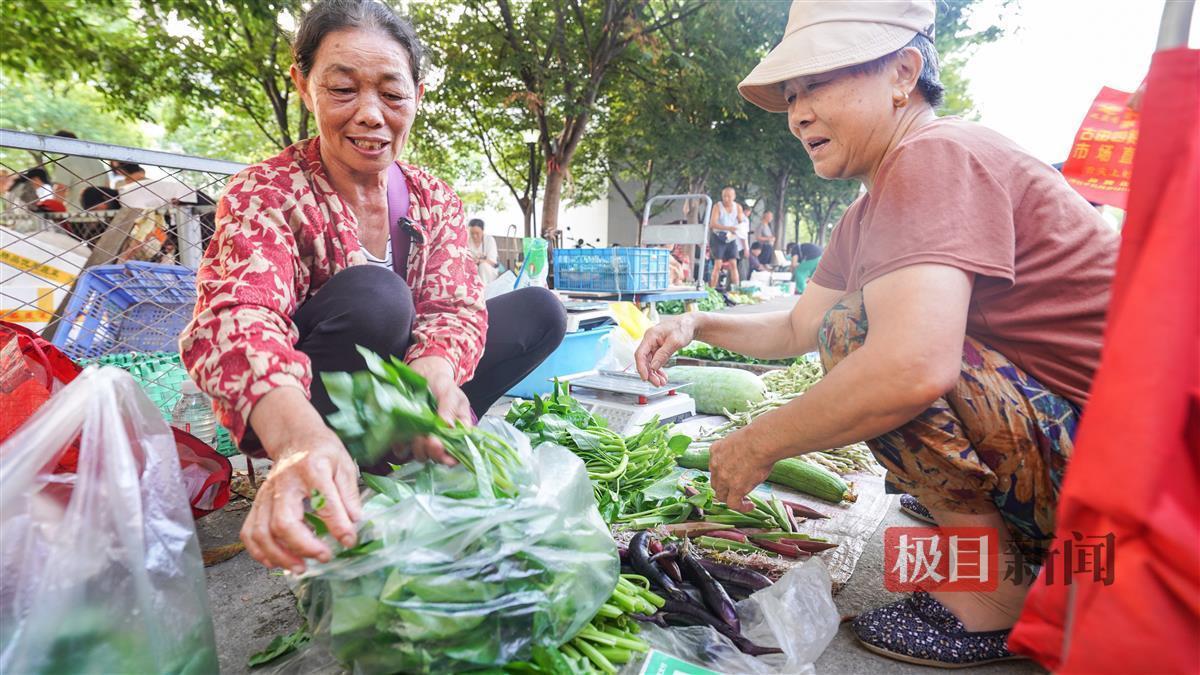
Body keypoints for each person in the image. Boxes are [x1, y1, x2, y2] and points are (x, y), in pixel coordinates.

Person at [635, 0, 1118, 667]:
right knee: (847, 327)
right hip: (1085, 450)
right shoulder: (872, 208)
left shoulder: (933, 156)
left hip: (1125, 474)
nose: (798, 112)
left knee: (863, 337)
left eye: (820, 81)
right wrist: (697, 322)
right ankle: (1001, 550)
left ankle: (996, 597)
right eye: (793, 93)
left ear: (903, 72)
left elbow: (911, 364)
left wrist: (759, 442)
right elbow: (800, 326)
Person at [180, 0, 567, 576]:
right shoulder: (266, 190)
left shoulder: (432, 196)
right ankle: (323, 460)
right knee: (377, 296)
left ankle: (419, 443)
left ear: (418, 94)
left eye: (391, 93)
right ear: (303, 84)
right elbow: (239, 315)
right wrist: (295, 438)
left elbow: (454, 306)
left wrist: (436, 374)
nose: (369, 115)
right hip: (312, 402)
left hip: (398, 391)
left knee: (542, 309)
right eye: (342, 90)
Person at [49, 130, 113, 210]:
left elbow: (60, 189)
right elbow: (107, 187)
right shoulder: (98, 163)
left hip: (76, 212)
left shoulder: (66, 161)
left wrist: (55, 211)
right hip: (100, 213)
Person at [708, 187, 742, 289]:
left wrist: (740, 227)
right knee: (718, 265)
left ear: (734, 197)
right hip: (718, 237)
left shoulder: (738, 207)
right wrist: (728, 228)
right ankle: (712, 290)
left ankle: (736, 289)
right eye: (724, 196)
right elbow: (712, 224)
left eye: (729, 196)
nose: (726, 199)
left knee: (733, 264)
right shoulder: (717, 206)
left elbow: (741, 221)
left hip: (731, 237)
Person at [467, 218, 499, 284]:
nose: (474, 236)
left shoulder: (489, 240)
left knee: (483, 266)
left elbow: (493, 263)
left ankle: (484, 290)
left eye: (477, 233)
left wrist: (479, 261)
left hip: (488, 271)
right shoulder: (467, 241)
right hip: (472, 270)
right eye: (472, 233)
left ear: (483, 230)